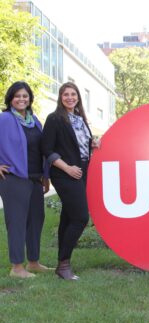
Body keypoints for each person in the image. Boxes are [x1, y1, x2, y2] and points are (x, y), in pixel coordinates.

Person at [42, 82, 99, 280]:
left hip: (82, 171)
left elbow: (78, 145)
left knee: (68, 217)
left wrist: (92, 143)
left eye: (73, 94)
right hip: (65, 173)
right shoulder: (55, 118)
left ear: (78, 97)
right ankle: (64, 263)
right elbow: (47, 149)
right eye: (65, 94)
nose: (69, 97)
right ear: (60, 97)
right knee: (81, 217)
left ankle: (62, 264)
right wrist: (67, 167)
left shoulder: (80, 119)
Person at [0, 81, 51, 278]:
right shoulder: (4, 119)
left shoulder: (34, 120)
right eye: (17, 96)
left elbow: (41, 150)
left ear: (30, 99)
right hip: (14, 179)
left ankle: (33, 262)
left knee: (36, 220)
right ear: (10, 99)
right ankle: (17, 267)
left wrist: (45, 177)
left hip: (35, 178)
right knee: (17, 222)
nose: (22, 99)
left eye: (25, 96)